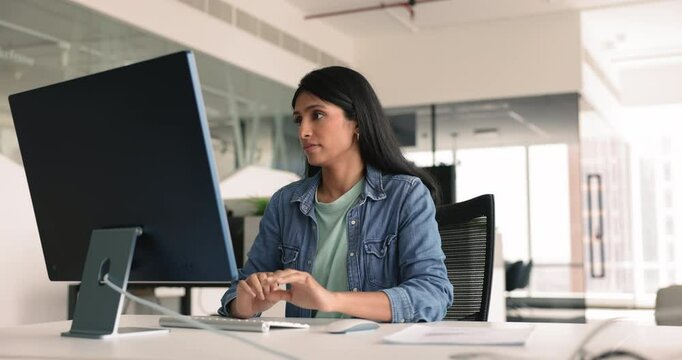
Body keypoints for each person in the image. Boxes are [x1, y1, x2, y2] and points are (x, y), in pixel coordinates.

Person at [218, 66, 453, 322]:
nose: (303, 132)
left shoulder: (405, 196)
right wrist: (245, 303)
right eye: (298, 120)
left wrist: (330, 300)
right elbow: (238, 292)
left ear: (357, 122)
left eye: (317, 115)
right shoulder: (286, 203)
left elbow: (432, 295)